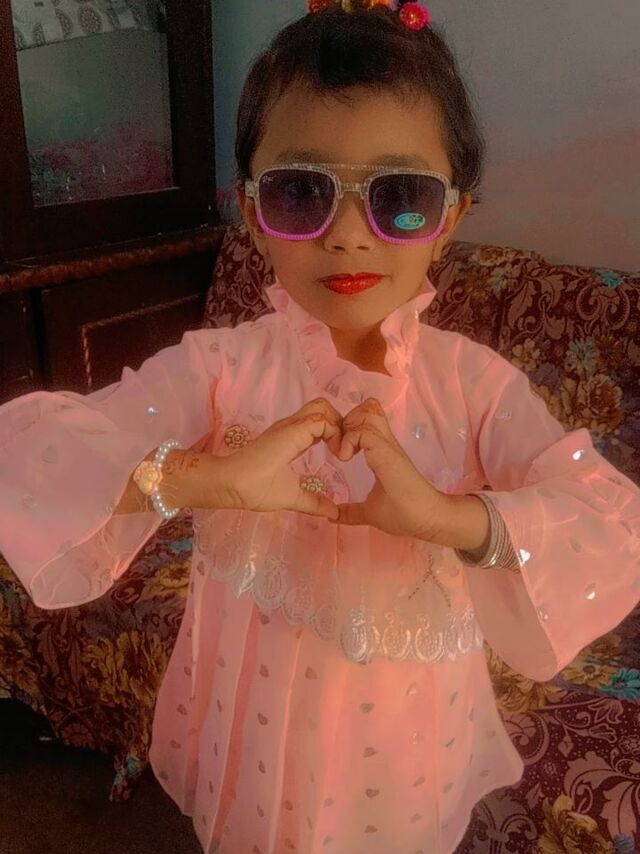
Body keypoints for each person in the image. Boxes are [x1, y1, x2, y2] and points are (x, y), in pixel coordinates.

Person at [1, 2, 639, 852]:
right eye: (301, 192)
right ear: (251, 211)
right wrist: (206, 480)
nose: (345, 237)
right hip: (250, 729)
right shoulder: (221, 368)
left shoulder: (476, 387)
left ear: (449, 219)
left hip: (407, 749)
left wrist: (449, 520)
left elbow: (610, 519)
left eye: (399, 198)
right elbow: (27, 458)